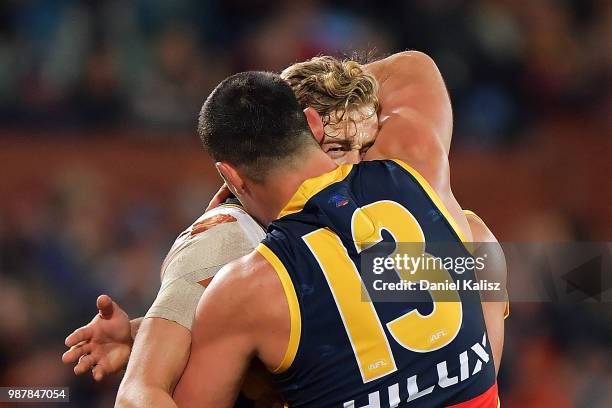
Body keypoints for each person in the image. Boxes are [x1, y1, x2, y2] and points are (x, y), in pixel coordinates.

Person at [63, 53, 506, 406]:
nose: (352, 161)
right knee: (474, 239)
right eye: (336, 148)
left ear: (231, 176)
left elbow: (145, 394)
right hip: (460, 378)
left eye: (360, 148)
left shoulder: (242, 286)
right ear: (312, 126)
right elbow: (412, 66)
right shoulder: (417, 168)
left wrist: (151, 351)